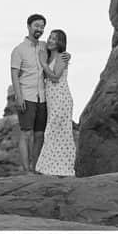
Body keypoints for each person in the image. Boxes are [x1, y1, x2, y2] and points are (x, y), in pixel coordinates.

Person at [9, 14, 70, 173]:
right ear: (29, 26)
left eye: (42, 27)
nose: (40, 29)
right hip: (27, 96)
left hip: (43, 98)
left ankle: (36, 168)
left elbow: (59, 52)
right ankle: (27, 169)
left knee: (39, 135)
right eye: (36, 26)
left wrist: (67, 55)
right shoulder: (18, 50)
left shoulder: (44, 46)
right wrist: (18, 96)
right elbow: (14, 75)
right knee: (26, 133)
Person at [34, 29, 76, 175]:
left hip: (61, 97)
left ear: (61, 42)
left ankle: (60, 168)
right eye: (50, 38)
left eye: (55, 39)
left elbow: (55, 77)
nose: (51, 40)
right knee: (55, 132)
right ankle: (53, 169)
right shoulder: (48, 54)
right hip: (52, 99)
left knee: (56, 132)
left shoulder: (61, 57)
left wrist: (44, 64)